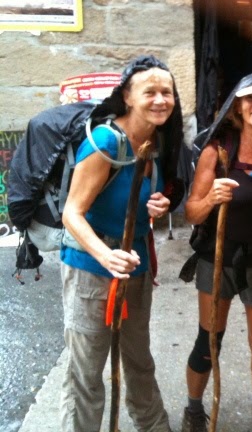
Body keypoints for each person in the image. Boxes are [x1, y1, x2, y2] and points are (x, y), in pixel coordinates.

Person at [60, 55, 185, 431]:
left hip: (136, 267)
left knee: (139, 362)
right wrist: (105, 255)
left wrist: (158, 206)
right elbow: (72, 213)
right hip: (90, 271)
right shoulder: (106, 141)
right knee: (86, 374)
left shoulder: (156, 141)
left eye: (167, 92)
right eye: (150, 92)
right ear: (127, 97)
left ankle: (154, 426)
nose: (161, 99)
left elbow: (136, 200)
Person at [181, 68, 252, 432]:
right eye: (251, 98)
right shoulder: (218, 151)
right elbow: (191, 212)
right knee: (209, 340)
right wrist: (211, 198)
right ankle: (194, 409)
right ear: (238, 107)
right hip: (218, 258)